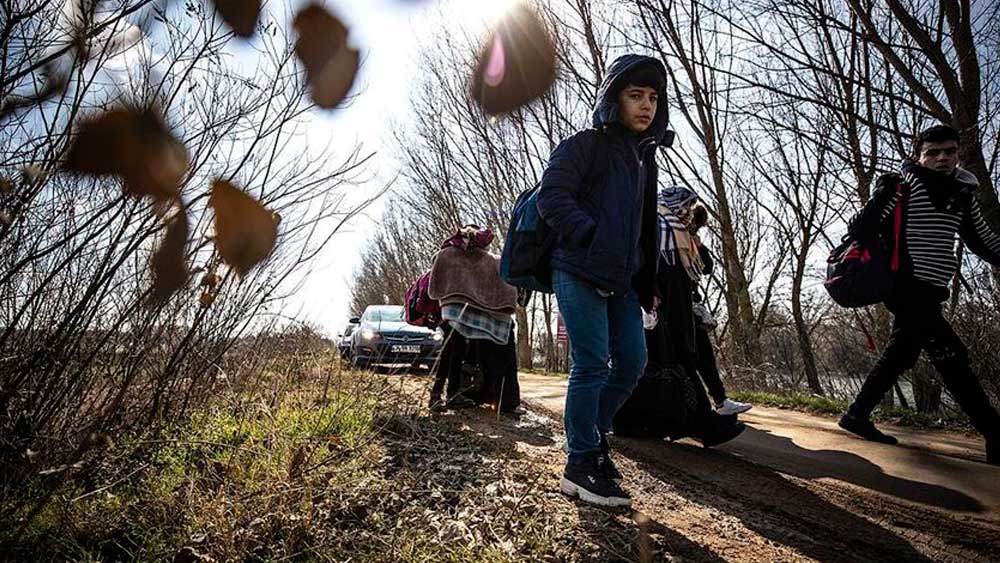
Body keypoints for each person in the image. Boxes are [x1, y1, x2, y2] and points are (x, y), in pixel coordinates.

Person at [537, 54, 668, 508]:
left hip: (624, 280)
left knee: (632, 363)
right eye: (635, 95)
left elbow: (646, 228)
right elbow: (551, 199)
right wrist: (592, 237)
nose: (646, 105)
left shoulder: (644, 160)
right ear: (615, 99)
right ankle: (580, 462)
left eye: (653, 97)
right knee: (591, 364)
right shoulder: (584, 145)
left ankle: (591, 435)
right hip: (577, 268)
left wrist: (648, 279)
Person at [839, 124, 1000, 466]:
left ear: (958, 154)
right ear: (920, 156)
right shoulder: (902, 188)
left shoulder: (962, 195)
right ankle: (994, 433)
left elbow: (982, 240)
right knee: (953, 357)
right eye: (933, 152)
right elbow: (859, 228)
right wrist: (881, 194)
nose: (942, 158)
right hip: (905, 285)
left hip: (933, 287)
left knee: (902, 353)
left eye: (949, 151)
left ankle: (857, 413)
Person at [648, 186, 746, 445]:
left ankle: (700, 420)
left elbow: (702, 265)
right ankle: (703, 424)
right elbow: (650, 264)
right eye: (687, 208)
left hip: (679, 306)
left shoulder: (678, 232)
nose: (689, 214)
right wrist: (653, 293)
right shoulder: (658, 226)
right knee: (676, 363)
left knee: (682, 361)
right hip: (663, 308)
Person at [687, 204, 752, 416]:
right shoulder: (667, 235)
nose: (695, 228)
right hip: (671, 305)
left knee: (702, 353)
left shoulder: (691, 239)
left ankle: (719, 401)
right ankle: (711, 404)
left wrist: (698, 246)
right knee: (694, 355)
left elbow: (707, 267)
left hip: (689, 303)